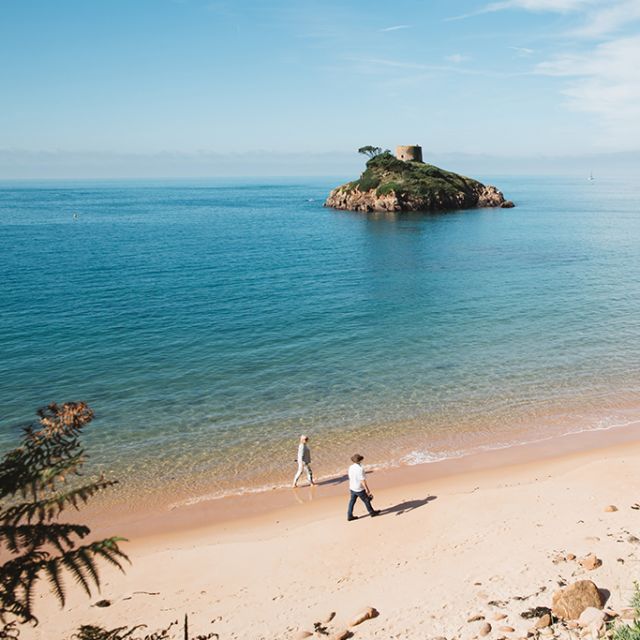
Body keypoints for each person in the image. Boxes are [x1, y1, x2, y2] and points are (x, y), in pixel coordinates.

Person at [347, 454, 380, 521]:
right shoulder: (360, 469)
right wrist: (367, 489)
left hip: (352, 487)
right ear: (360, 460)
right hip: (359, 488)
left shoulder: (350, 467)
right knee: (366, 500)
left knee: (352, 501)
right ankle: (372, 512)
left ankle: (349, 515)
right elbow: (362, 480)